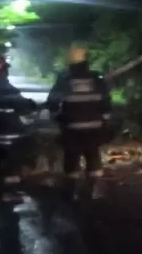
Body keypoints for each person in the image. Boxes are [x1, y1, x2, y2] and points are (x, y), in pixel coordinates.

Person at [46, 46, 112, 200]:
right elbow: (106, 103)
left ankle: (71, 191)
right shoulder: (96, 78)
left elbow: (53, 102)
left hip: (71, 127)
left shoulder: (64, 79)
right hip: (95, 127)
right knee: (93, 155)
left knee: (72, 156)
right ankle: (93, 189)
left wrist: (56, 116)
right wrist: (104, 122)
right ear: (86, 60)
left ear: (69, 62)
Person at [0, 55, 36, 197]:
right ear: (3, 70)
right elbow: (25, 107)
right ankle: (11, 190)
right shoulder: (8, 89)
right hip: (10, 140)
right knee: (16, 159)